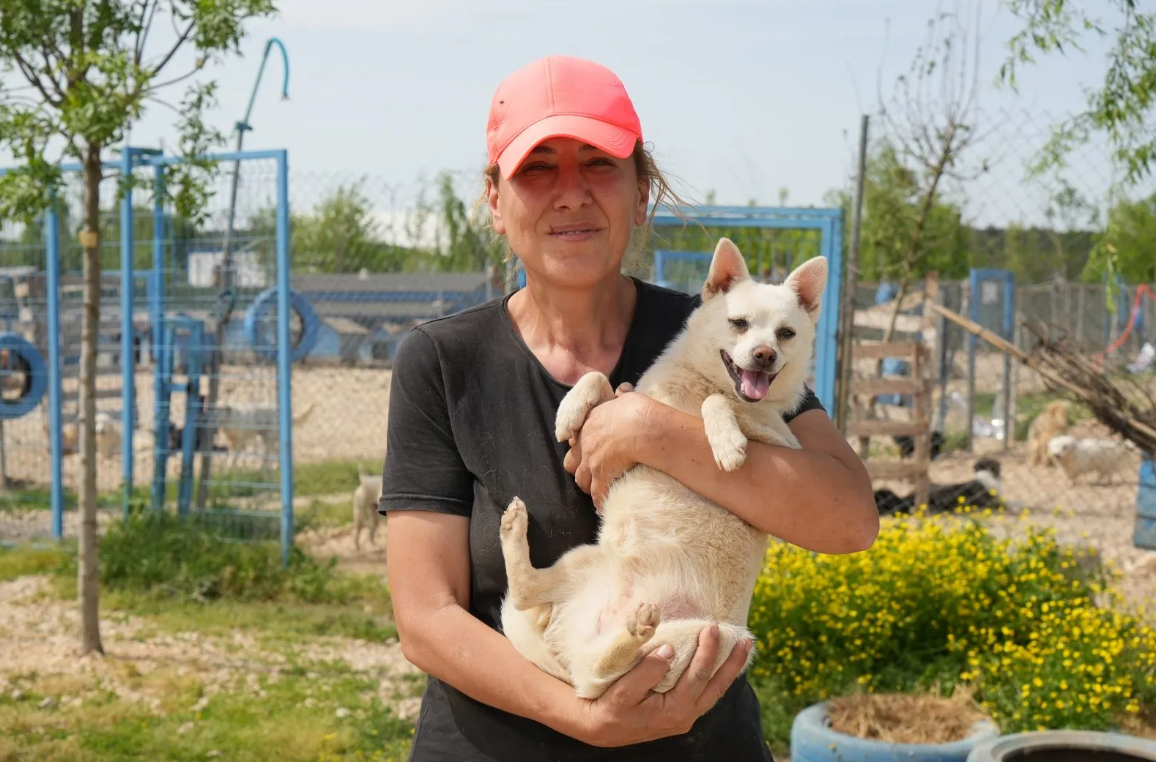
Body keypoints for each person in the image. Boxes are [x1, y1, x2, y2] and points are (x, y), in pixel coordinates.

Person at [380, 54, 879, 762]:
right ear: (495, 201)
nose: (572, 193)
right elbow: (426, 617)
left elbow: (849, 518)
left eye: (599, 164)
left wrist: (653, 431)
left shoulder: (720, 332)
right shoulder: (442, 361)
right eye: (537, 168)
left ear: (640, 190)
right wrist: (584, 716)